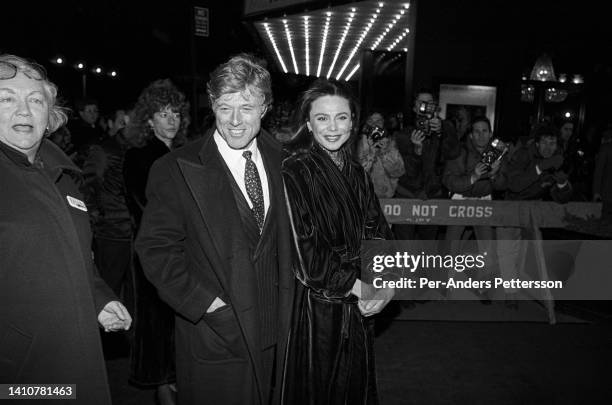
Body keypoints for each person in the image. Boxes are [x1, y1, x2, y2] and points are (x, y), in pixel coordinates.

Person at [135, 54, 294, 405]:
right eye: (225, 108)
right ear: (212, 105)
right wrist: (209, 306)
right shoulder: (175, 167)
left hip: (278, 335)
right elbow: (156, 251)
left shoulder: (286, 161)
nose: (235, 121)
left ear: (265, 107)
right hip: (217, 334)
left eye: (247, 108)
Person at [0, 54, 131, 403]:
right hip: (21, 376)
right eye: (7, 98)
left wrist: (98, 300)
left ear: (49, 117)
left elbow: (75, 258)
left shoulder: (63, 177)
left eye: (36, 100)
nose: (25, 111)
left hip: (76, 359)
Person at [281, 79, 395, 405]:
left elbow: (378, 232)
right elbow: (303, 253)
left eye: (341, 117)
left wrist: (386, 283)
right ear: (308, 123)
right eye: (322, 118)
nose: (333, 127)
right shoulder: (293, 171)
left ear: (353, 122)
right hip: (314, 308)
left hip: (357, 303)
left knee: (353, 390)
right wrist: (361, 287)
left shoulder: (357, 173)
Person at [123, 79, 190, 405]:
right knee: (158, 324)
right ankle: (165, 389)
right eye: (163, 114)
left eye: (175, 113)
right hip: (156, 252)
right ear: (148, 120)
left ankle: (176, 383)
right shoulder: (139, 157)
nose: (171, 119)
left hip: (187, 251)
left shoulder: (185, 153)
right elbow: (145, 206)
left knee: (179, 324)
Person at [394, 87, 461, 240]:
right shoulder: (403, 135)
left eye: (430, 103)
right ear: (415, 107)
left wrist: (442, 131)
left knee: (427, 248)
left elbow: (453, 153)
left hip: (433, 196)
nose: (426, 106)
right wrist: (417, 151)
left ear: (435, 106)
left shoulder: (443, 130)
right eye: (422, 103)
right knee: (405, 249)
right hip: (407, 196)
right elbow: (406, 173)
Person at [357, 112, 405, 198]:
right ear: (366, 123)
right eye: (371, 121)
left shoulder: (390, 143)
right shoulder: (356, 144)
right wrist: (370, 153)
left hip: (385, 198)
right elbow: (357, 175)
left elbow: (398, 172)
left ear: (383, 124)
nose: (375, 124)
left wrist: (385, 152)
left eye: (378, 121)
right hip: (361, 197)